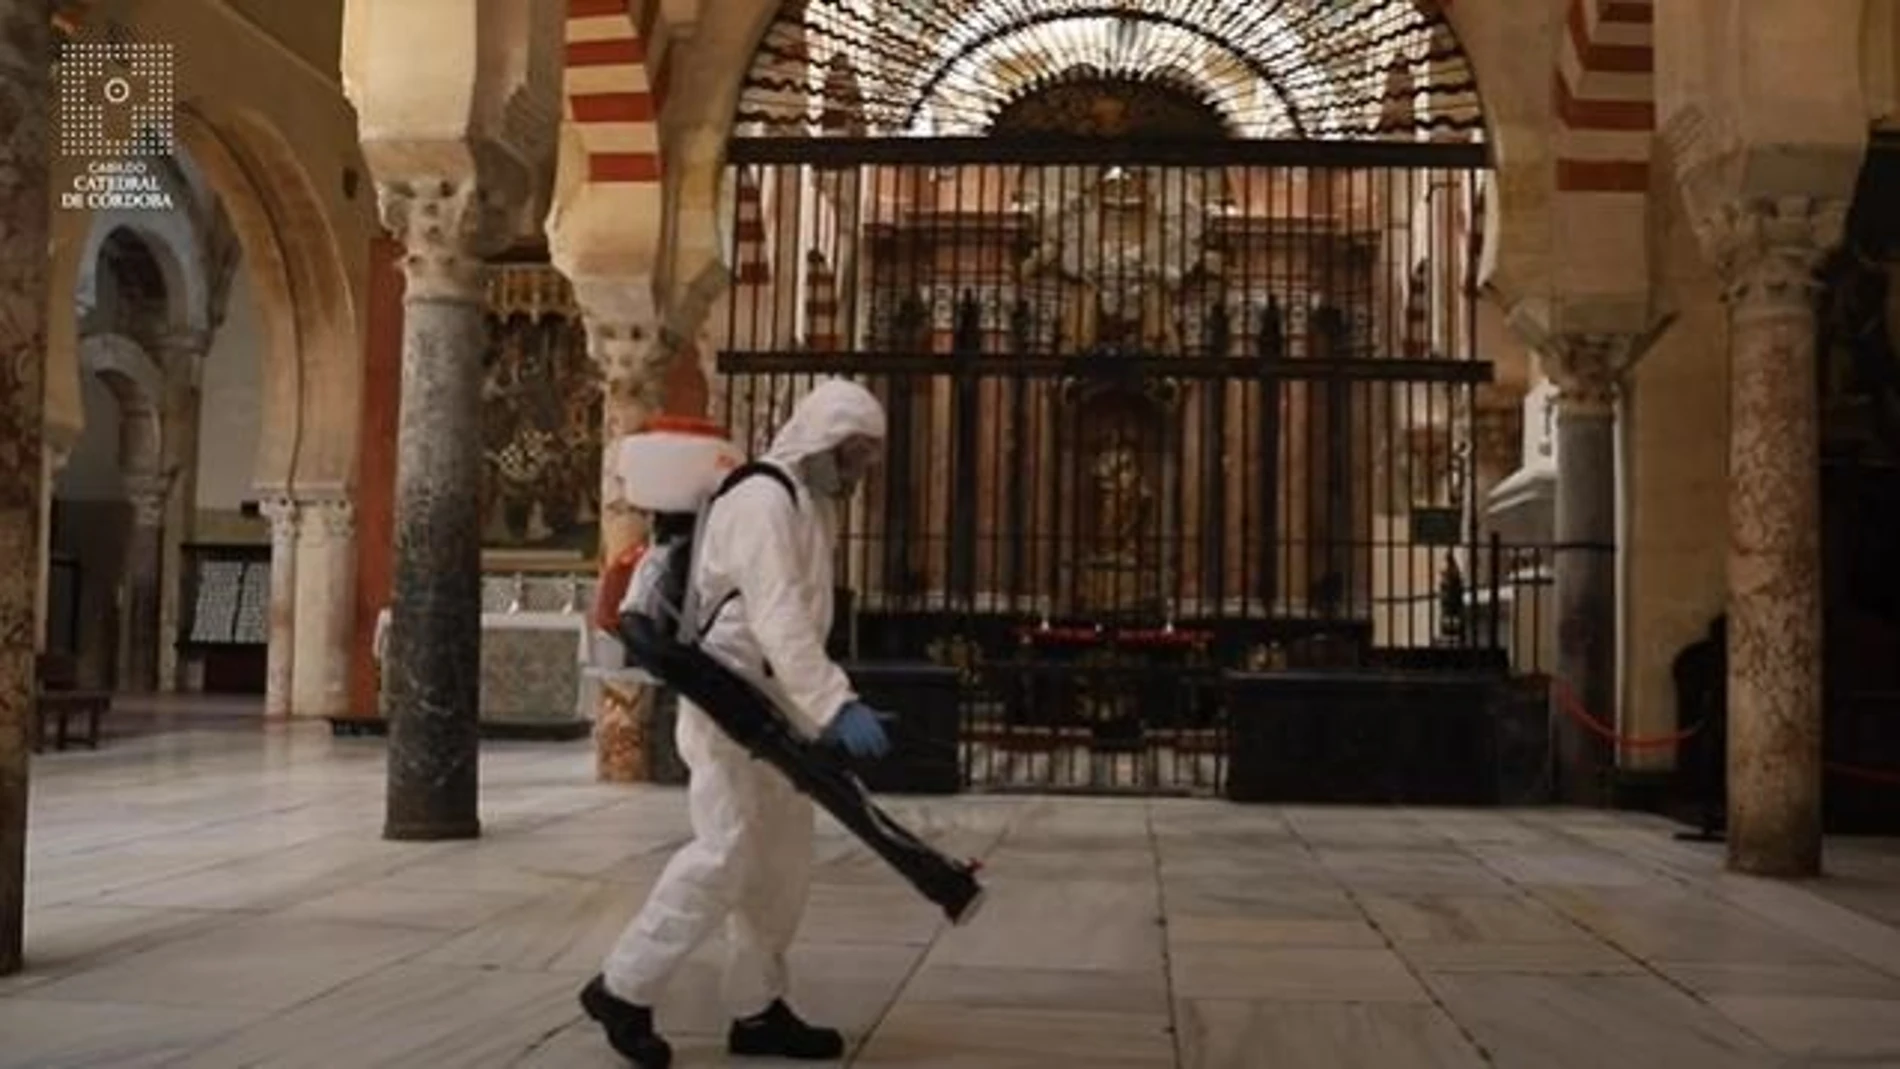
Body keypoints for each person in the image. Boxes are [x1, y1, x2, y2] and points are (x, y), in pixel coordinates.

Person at [582, 379, 894, 1067]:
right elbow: (778, 618)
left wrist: (815, 705)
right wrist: (835, 702)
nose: (859, 469)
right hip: (729, 703)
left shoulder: (813, 506)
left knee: (780, 866)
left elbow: (800, 623)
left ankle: (757, 1008)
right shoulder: (762, 499)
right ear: (821, 438)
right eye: (853, 452)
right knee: (725, 852)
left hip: (775, 707)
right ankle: (623, 986)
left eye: (867, 457)